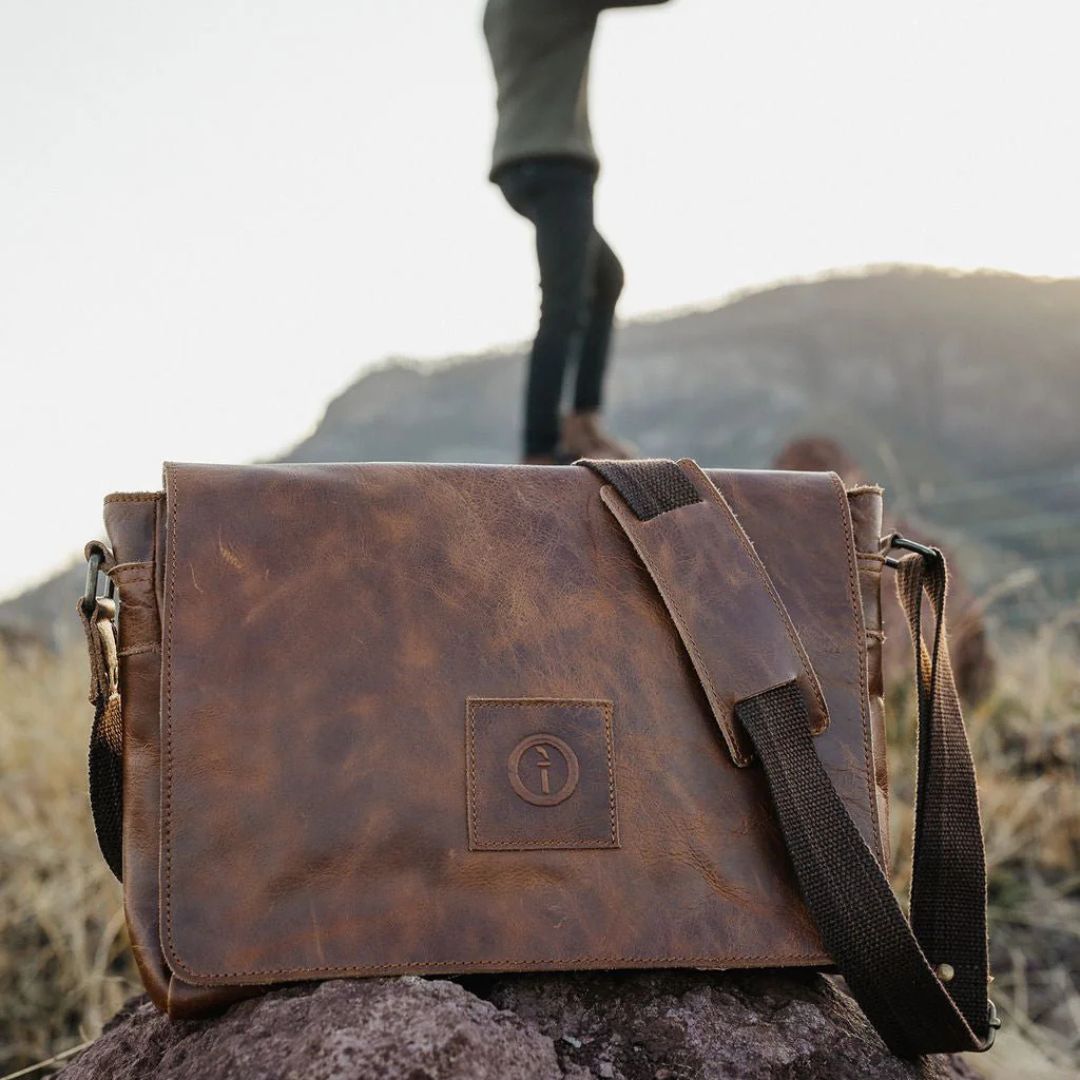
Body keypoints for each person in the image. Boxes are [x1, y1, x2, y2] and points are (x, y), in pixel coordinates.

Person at [483, 0, 670, 464]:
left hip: (518, 164)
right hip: (558, 164)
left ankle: (580, 421)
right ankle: (541, 447)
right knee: (563, 304)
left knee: (605, 279)